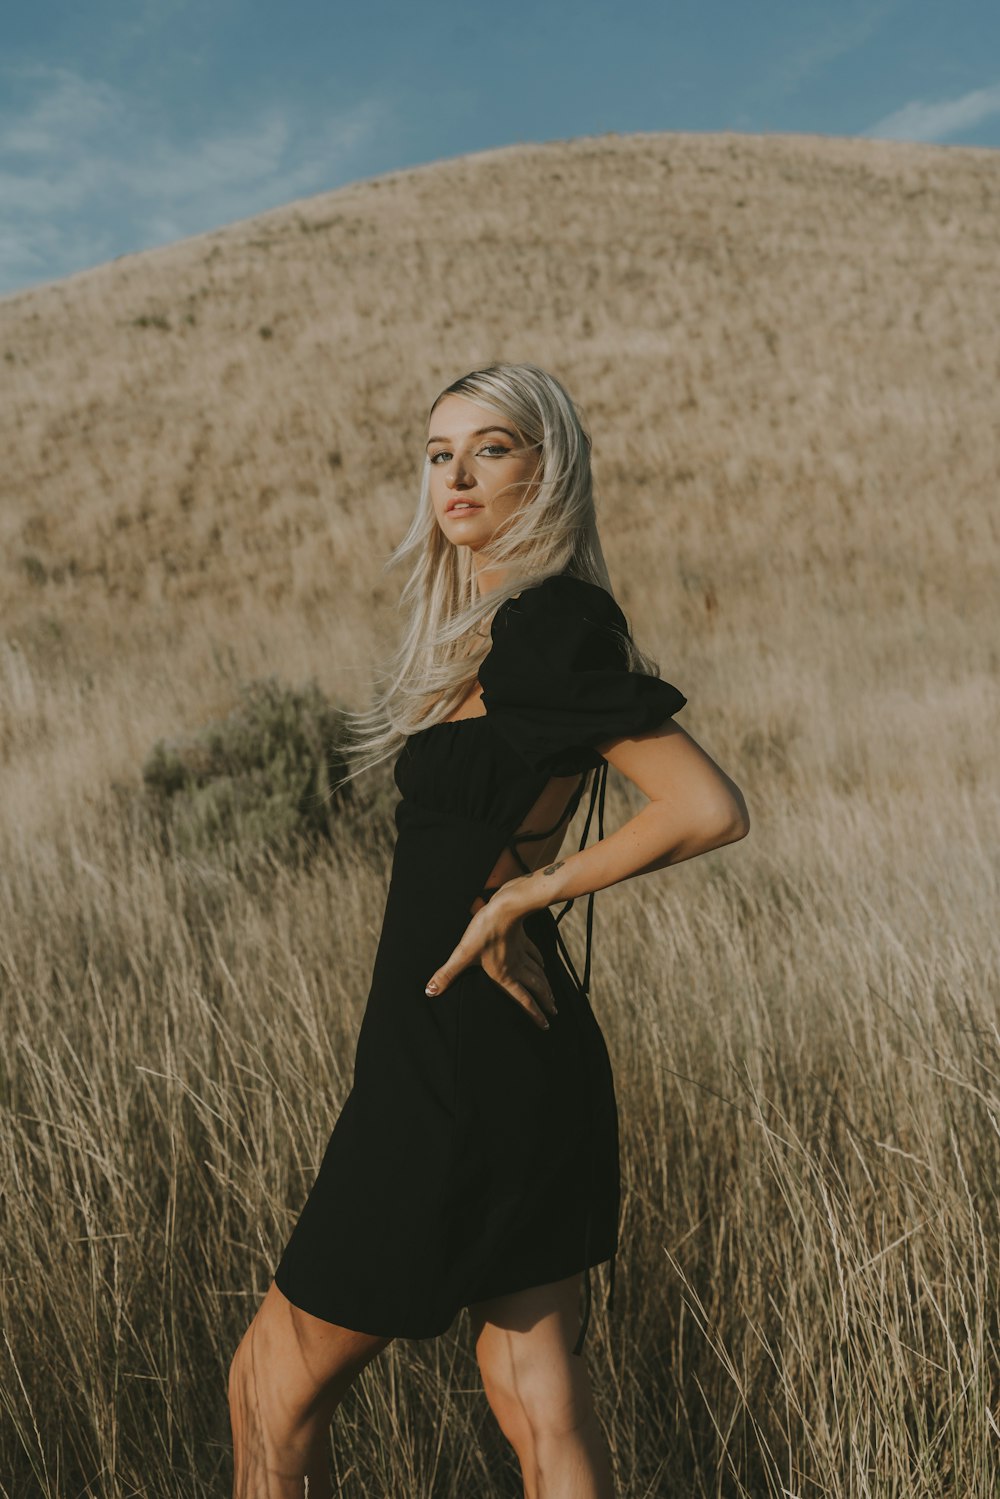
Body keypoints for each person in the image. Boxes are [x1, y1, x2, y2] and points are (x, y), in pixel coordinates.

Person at [228, 362, 750, 1498]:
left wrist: (524, 893)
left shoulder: (547, 623)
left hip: (453, 1060)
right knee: (534, 1399)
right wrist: (517, 886)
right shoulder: (504, 627)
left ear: (547, 463)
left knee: (269, 1385)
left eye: (491, 447)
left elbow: (706, 806)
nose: (455, 475)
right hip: (511, 1050)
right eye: (437, 453)